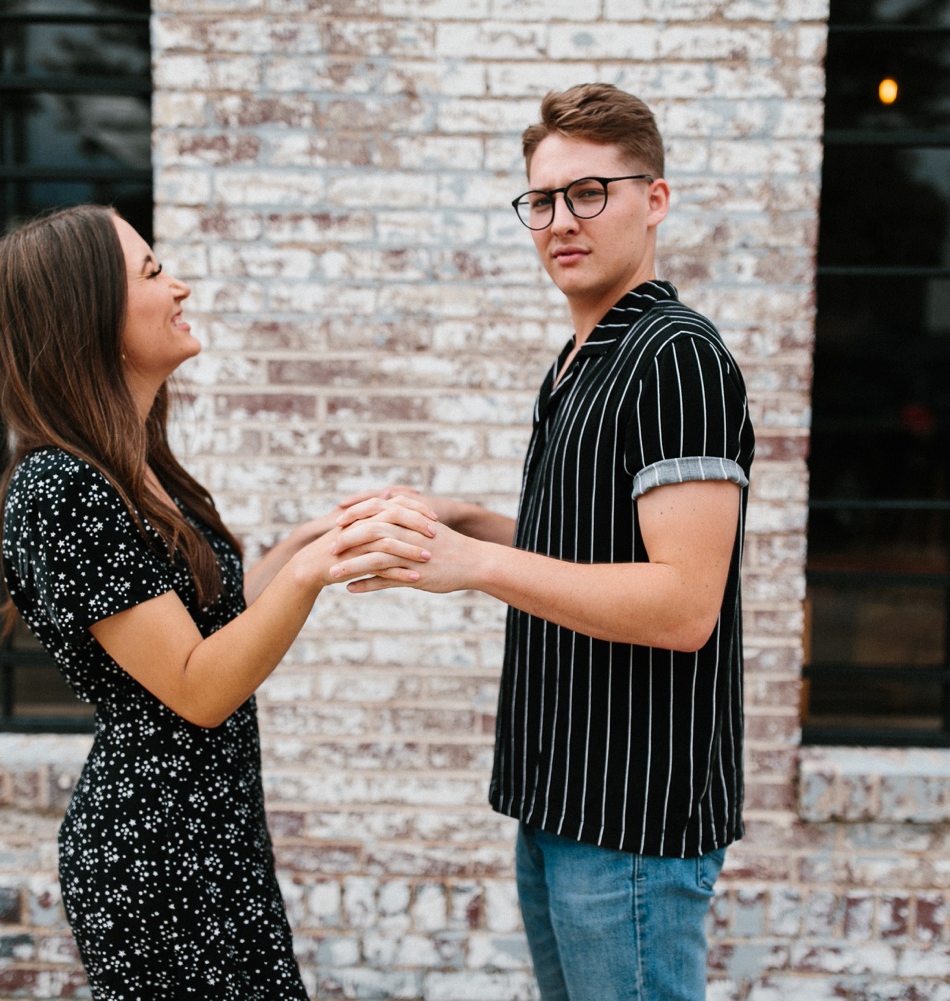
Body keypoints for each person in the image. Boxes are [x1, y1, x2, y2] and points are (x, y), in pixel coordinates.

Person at [336, 84, 754, 1001]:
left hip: (633, 823)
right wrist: (462, 521)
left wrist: (476, 566)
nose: (562, 220)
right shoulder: (579, 361)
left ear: (655, 198)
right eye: (543, 199)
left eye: (590, 192)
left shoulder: (676, 358)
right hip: (557, 802)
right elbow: (589, 551)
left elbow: (683, 604)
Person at [0, 204, 437, 999]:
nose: (180, 286)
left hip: (210, 834)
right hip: (158, 856)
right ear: (93, 316)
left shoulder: (133, 462)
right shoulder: (61, 487)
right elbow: (198, 685)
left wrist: (327, 533)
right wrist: (311, 570)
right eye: (153, 272)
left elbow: (211, 620)